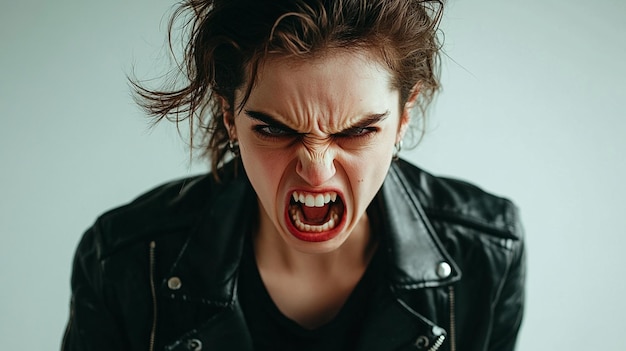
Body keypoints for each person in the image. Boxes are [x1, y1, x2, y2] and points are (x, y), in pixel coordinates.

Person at [62, 0, 525, 350]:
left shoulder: (488, 253)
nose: (316, 171)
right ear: (229, 118)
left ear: (404, 116)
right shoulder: (122, 262)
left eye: (358, 131)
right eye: (274, 129)